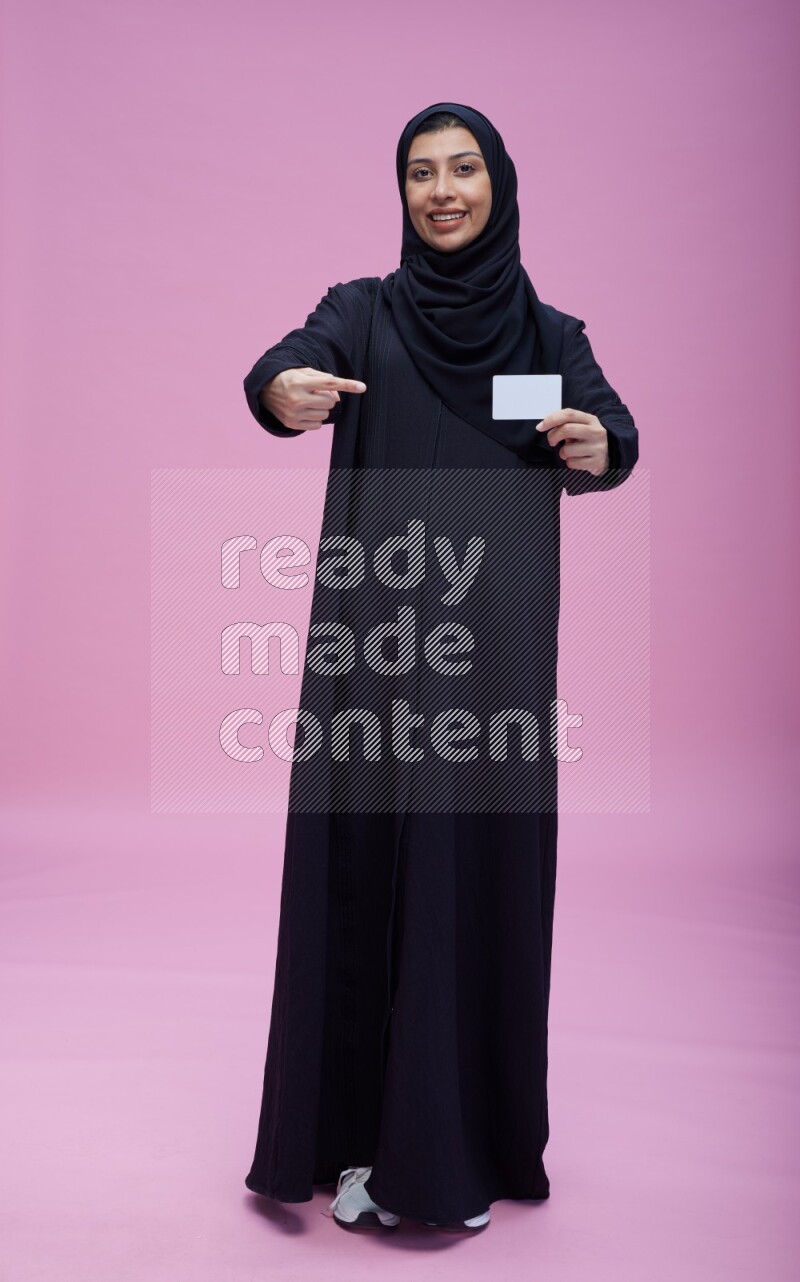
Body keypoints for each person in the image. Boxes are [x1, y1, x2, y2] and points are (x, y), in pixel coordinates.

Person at [241, 101, 638, 1235]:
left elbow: (611, 428)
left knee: (470, 887)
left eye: (462, 168)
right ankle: (348, 1142)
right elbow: (284, 363)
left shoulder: (549, 335)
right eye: (420, 172)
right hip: (368, 659)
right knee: (361, 874)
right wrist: (279, 391)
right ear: (400, 192)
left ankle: (451, 1148)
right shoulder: (358, 316)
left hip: (488, 679)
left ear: (499, 183)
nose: (442, 190)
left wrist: (599, 445)